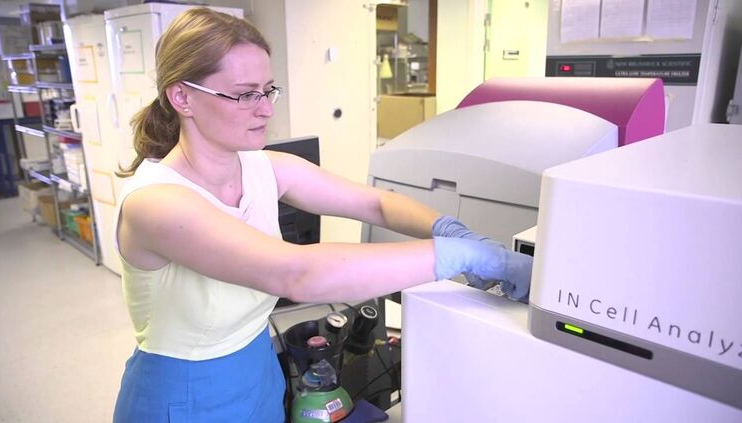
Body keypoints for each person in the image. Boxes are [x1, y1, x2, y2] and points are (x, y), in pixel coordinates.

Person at [112, 7, 532, 422]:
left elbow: (375, 203)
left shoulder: (264, 168)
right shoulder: (156, 203)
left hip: (258, 374)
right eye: (245, 94)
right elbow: (295, 273)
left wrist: (449, 228)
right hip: (184, 397)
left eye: (268, 90)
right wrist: (461, 256)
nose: (266, 109)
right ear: (182, 97)